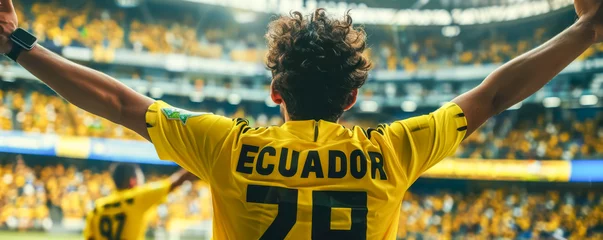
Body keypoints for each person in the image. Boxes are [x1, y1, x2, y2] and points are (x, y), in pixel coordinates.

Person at [0, 0, 600, 238]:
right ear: (353, 96)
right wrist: (589, 28)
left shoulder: (225, 146)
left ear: (273, 91)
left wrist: (15, 42)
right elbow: (495, 96)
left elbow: (120, 103)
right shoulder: (392, 150)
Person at [83, 164, 196, 240]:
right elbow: (177, 181)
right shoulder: (137, 197)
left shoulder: (97, 207)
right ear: (133, 181)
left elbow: (89, 238)